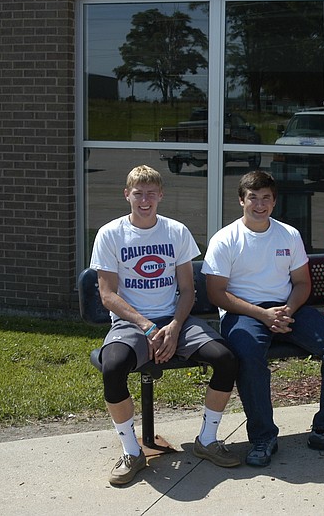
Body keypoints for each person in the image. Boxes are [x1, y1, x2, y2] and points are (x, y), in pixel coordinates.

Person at [90, 165, 240, 486]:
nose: (145, 200)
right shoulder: (110, 234)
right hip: (132, 322)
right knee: (112, 367)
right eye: (138, 193)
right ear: (126, 195)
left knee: (226, 358)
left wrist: (173, 326)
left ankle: (207, 440)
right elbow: (107, 295)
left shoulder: (176, 231)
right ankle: (132, 451)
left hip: (175, 320)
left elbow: (188, 290)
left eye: (151, 193)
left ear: (161, 196)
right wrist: (146, 326)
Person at [203, 170, 324, 467]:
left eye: (266, 198)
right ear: (241, 200)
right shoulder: (225, 239)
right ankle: (264, 438)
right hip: (244, 313)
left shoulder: (288, 234)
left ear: (274, 202)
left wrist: (287, 310)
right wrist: (262, 314)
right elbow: (216, 293)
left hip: (287, 309)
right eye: (253, 198)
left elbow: (302, 283)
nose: (260, 205)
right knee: (248, 353)